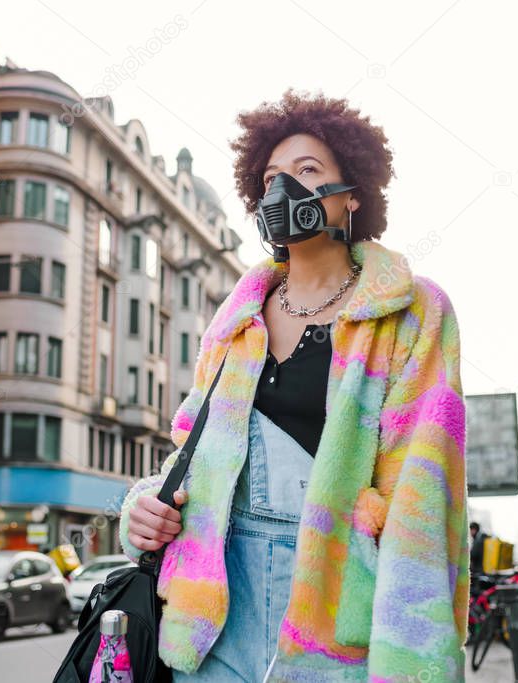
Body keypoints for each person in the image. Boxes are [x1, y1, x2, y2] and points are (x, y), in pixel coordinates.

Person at [118, 90, 469, 681]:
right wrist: (143, 510)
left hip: (337, 625)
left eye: (307, 171)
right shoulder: (234, 322)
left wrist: (414, 659)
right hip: (216, 626)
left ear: (351, 193)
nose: (285, 190)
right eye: (272, 176)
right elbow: (191, 453)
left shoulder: (413, 313)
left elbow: (422, 493)